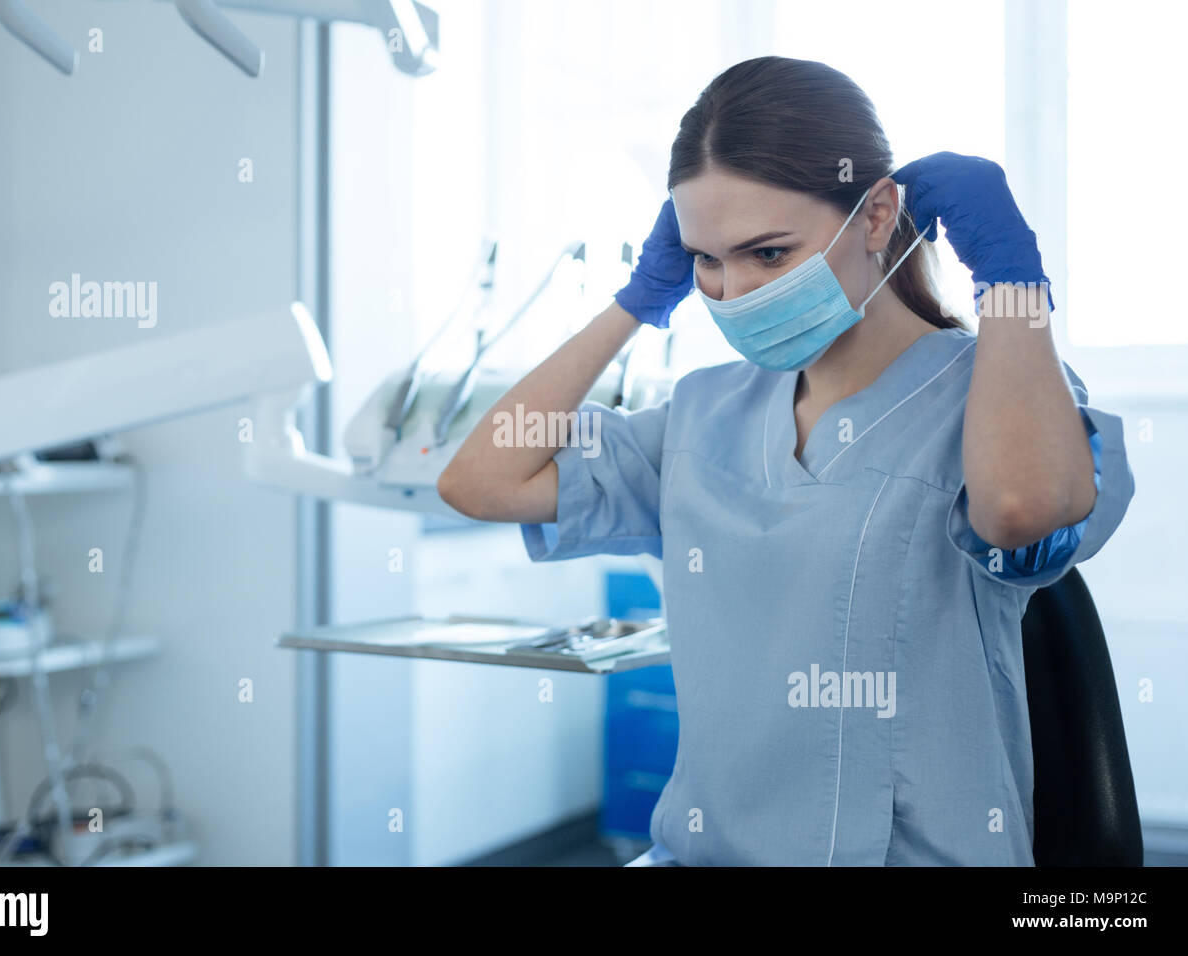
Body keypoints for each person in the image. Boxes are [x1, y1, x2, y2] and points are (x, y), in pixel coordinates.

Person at [436, 56, 1134, 866]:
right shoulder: (703, 415)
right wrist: (633, 305)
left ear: (875, 219)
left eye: (768, 254)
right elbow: (478, 480)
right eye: (704, 259)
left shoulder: (995, 401)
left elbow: (1019, 509)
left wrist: (1011, 283)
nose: (731, 292)